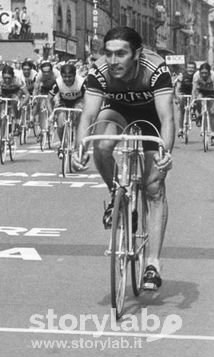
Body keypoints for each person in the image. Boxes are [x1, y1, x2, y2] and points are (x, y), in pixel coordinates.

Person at [73, 26, 174, 291]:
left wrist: (165, 153)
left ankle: (152, 263)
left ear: (137, 54)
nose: (113, 61)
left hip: (151, 115)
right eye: (109, 54)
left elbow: (167, 117)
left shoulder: (155, 68)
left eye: (121, 54)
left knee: (154, 187)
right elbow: (88, 115)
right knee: (102, 144)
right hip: (117, 111)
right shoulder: (100, 70)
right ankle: (116, 197)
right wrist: (79, 146)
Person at [48, 63, 85, 158]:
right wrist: (51, 113)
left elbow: (89, 97)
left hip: (78, 101)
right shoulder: (58, 83)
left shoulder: (81, 82)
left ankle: (77, 147)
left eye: (70, 77)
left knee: (78, 117)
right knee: (60, 123)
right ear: (61, 76)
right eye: (64, 77)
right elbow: (48, 99)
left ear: (74, 75)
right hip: (63, 102)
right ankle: (62, 144)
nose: (67, 79)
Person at [0, 64, 28, 143]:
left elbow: (27, 94)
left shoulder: (18, 78)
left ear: (13, 76)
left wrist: (21, 103)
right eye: (5, 78)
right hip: (4, 91)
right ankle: (2, 137)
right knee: (2, 115)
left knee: (14, 102)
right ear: (2, 76)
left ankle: (16, 122)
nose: (7, 80)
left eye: (9, 78)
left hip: (16, 90)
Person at [192, 62, 214, 146]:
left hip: (211, 92)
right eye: (202, 73)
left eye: (206, 73)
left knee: (212, 112)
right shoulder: (196, 75)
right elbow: (194, 90)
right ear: (199, 72)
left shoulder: (213, 76)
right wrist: (193, 101)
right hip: (201, 91)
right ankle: (199, 115)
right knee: (198, 100)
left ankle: (213, 134)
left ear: (209, 72)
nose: (204, 75)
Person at [173, 61, 197, 138]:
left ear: (195, 69)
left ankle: (195, 114)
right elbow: (177, 88)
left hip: (193, 93)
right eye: (189, 67)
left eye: (192, 68)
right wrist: (177, 97)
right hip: (183, 93)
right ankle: (180, 129)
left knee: (197, 103)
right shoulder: (182, 76)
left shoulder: (196, 75)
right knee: (181, 110)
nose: (191, 69)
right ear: (186, 68)